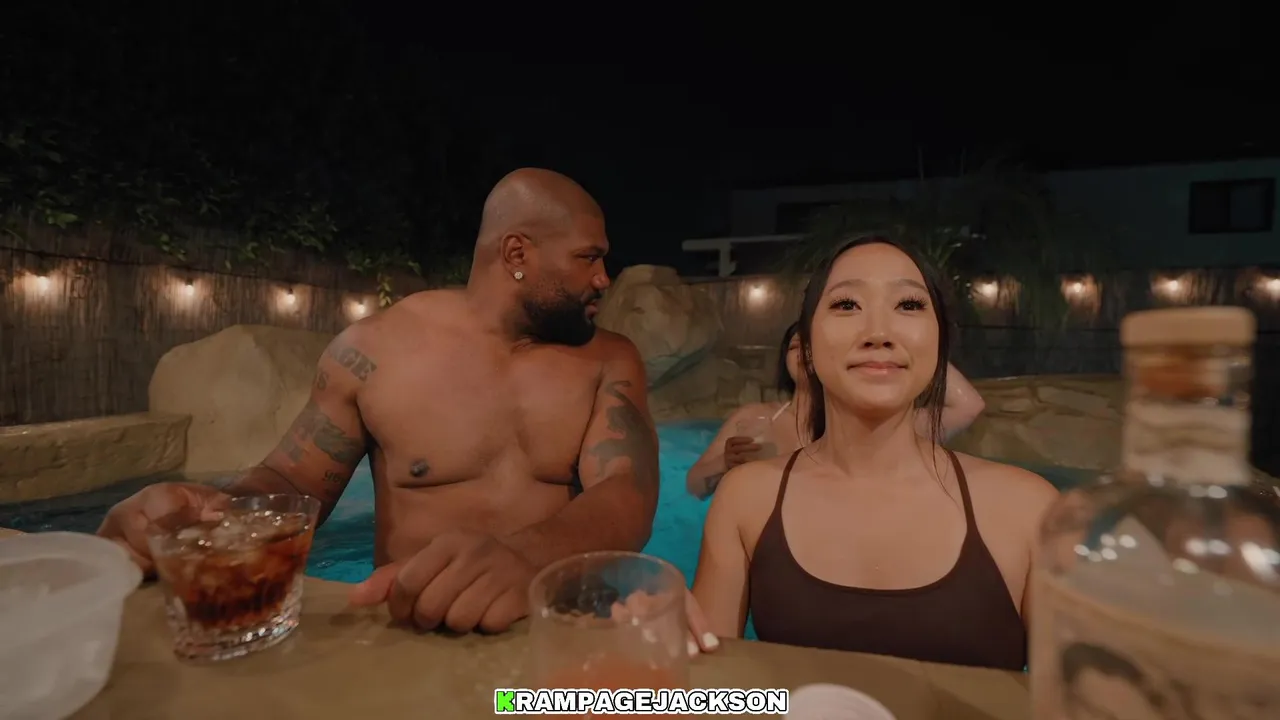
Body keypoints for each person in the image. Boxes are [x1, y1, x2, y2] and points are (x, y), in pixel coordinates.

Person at [97, 168, 717, 650]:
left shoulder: (609, 359)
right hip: (412, 640)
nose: (605, 278)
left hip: (557, 638)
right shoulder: (374, 353)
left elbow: (628, 491)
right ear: (517, 254)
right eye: (589, 257)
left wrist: (529, 558)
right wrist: (210, 515)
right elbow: (292, 483)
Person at [689, 235, 1059, 669]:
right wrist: (664, 642)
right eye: (847, 304)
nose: (878, 333)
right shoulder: (747, 498)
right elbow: (704, 695)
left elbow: (1088, 698)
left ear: (938, 342)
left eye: (909, 305)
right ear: (808, 348)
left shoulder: (1029, 510)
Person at [684, 322, 986, 499]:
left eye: (816, 346)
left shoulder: (875, 428)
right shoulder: (753, 419)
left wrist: (907, 343)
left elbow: (968, 406)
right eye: (796, 346)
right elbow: (695, 486)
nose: (804, 353)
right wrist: (724, 463)